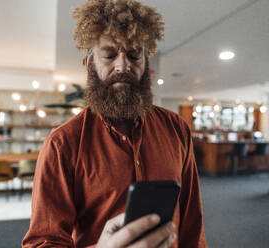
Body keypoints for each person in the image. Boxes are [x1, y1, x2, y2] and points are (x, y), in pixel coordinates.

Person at [22, 0, 207, 247]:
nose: (123, 66)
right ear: (90, 64)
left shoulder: (176, 128)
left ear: (145, 64)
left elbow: (192, 224)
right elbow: (41, 243)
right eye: (109, 54)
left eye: (134, 54)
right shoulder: (62, 145)